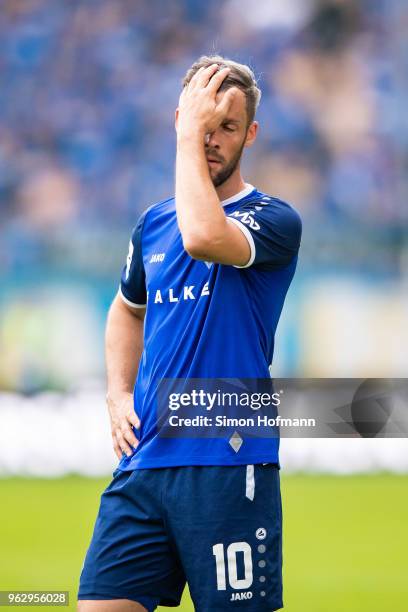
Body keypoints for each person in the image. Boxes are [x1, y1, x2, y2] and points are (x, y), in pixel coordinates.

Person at [77, 55, 302, 612]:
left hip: (225, 460)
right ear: (179, 119)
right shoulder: (152, 224)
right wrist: (118, 392)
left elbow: (203, 235)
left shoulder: (274, 218)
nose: (210, 138)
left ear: (250, 134)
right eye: (200, 123)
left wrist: (185, 141)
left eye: (225, 126)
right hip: (144, 462)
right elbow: (127, 310)